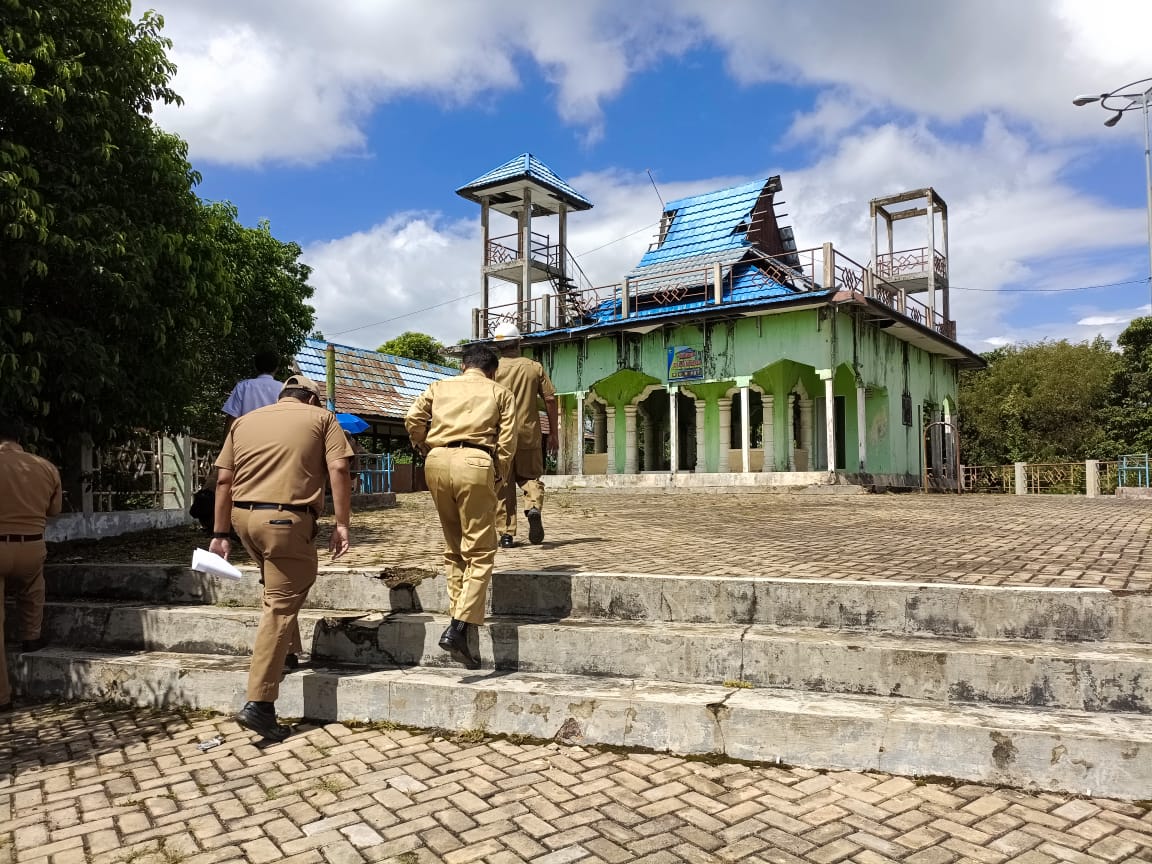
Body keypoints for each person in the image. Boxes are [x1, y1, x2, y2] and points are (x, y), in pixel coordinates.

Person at [210, 374, 353, 742]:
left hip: (244, 521)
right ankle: (259, 702)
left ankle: (288, 655)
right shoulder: (322, 419)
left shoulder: (245, 421)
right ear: (312, 399)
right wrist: (342, 524)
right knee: (280, 604)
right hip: (285, 521)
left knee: (275, 584)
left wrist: (220, 533)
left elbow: (223, 480)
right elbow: (339, 468)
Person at [405, 344, 516, 669]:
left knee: (454, 549)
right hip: (476, 461)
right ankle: (458, 627)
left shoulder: (439, 386)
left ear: (463, 366)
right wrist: (498, 477)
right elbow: (507, 442)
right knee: (480, 550)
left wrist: (425, 445)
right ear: (493, 370)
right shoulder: (500, 392)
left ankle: (460, 625)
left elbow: (413, 418)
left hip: (437, 461)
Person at [0, 419, 62, 711]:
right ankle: (30, 638)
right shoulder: (45, 466)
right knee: (34, 588)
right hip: (33, 545)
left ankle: (2, 696)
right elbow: (54, 511)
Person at [492, 323, 558, 547]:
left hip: (500, 435)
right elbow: (550, 399)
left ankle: (507, 534)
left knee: (504, 484)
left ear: (497, 346)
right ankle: (533, 507)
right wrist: (554, 434)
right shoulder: (534, 367)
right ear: (519, 342)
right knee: (530, 478)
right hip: (529, 433)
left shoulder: (491, 370)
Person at [222, 350, 283, 436]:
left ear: (255, 367)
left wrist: (225, 444)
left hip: (245, 441)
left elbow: (231, 418)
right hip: (274, 441)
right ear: (277, 368)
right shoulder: (283, 389)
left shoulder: (243, 386)